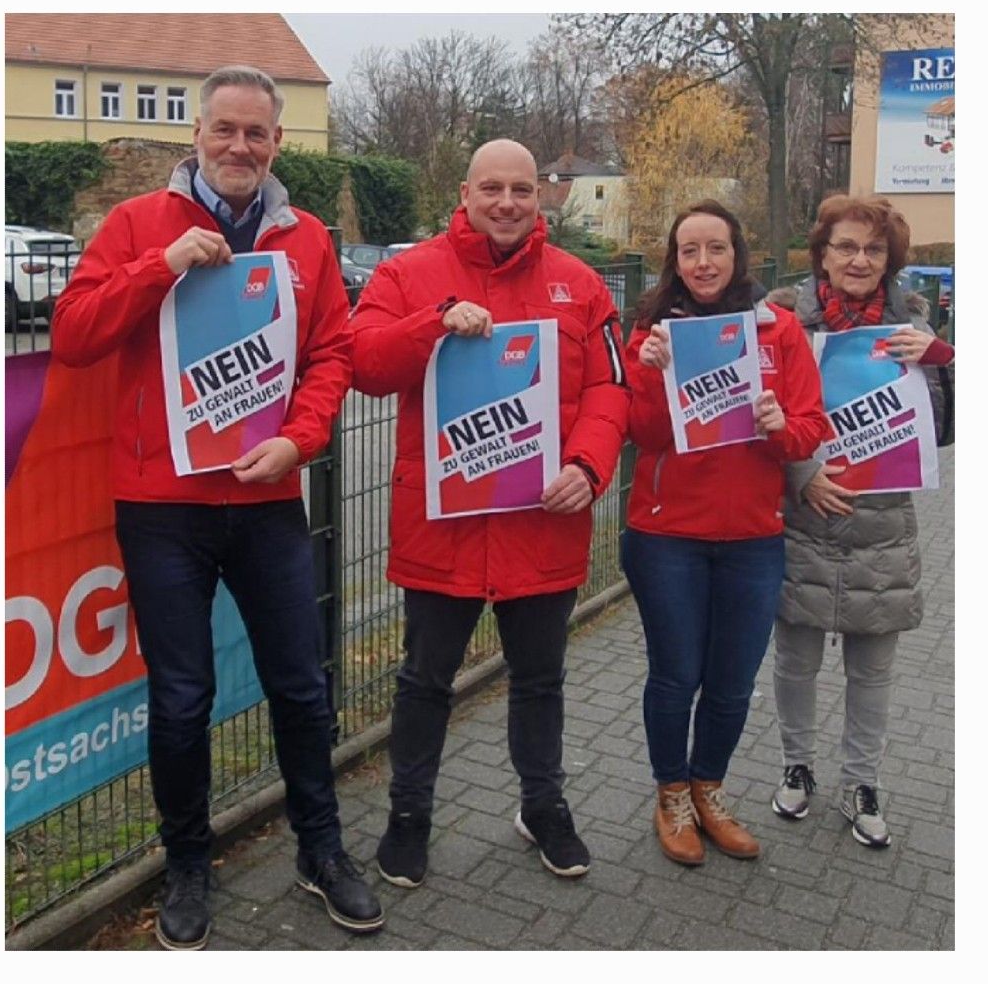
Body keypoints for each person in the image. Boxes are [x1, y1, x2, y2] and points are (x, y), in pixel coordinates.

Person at [51, 66, 383, 948]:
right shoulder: (136, 225)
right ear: (196, 135)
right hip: (161, 506)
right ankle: (188, 864)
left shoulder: (305, 238)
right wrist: (159, 269)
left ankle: (321, 849)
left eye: (258, 133)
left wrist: (303, 439)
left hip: (268, 495)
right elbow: (74, 333)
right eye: (224, 130)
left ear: (279, 143)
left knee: (301, 687)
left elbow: (334, 354)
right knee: (183, 698)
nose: (240, 146)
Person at [350, 139, 629, 886]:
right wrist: (434, 323)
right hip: (441, 526)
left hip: (543, 523)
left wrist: (588, 465)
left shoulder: (581, 285)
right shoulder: (407, 274)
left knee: (541, 679)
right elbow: (366, 363)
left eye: (522, 191)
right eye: (492, 189)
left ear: (540, 197)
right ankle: (408, 816)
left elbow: (610, 389)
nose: (507, 203)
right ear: (465, 194)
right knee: (423, 683)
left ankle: (543, 806)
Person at [621, 202, 825, 865]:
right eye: (689, 251)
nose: (703, 262)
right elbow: (643, 435)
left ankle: (709, 787)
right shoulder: (651, 333)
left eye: (715, 248)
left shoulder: (780, 332)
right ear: (674, 263)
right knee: (676, 676)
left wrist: (775, 426)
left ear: (737, 253)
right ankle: (671, 793)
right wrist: (650, 376)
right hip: (667, 536)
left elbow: (808, 430)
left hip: (753, 539)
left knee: (733, 681)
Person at [769, 194, 954, 850]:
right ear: (821, 253)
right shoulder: (783, 320)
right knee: (796, 662)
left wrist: (942, 359)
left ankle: (862, 783)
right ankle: (797, 766)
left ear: (889, 261)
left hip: (883, 528)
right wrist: (802, 475)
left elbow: (945, 433)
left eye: (874, 250)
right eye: (846, 246)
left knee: (872, 672)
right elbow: (756, 416)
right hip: (805, 519)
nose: (859, 259)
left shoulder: (913, 322)